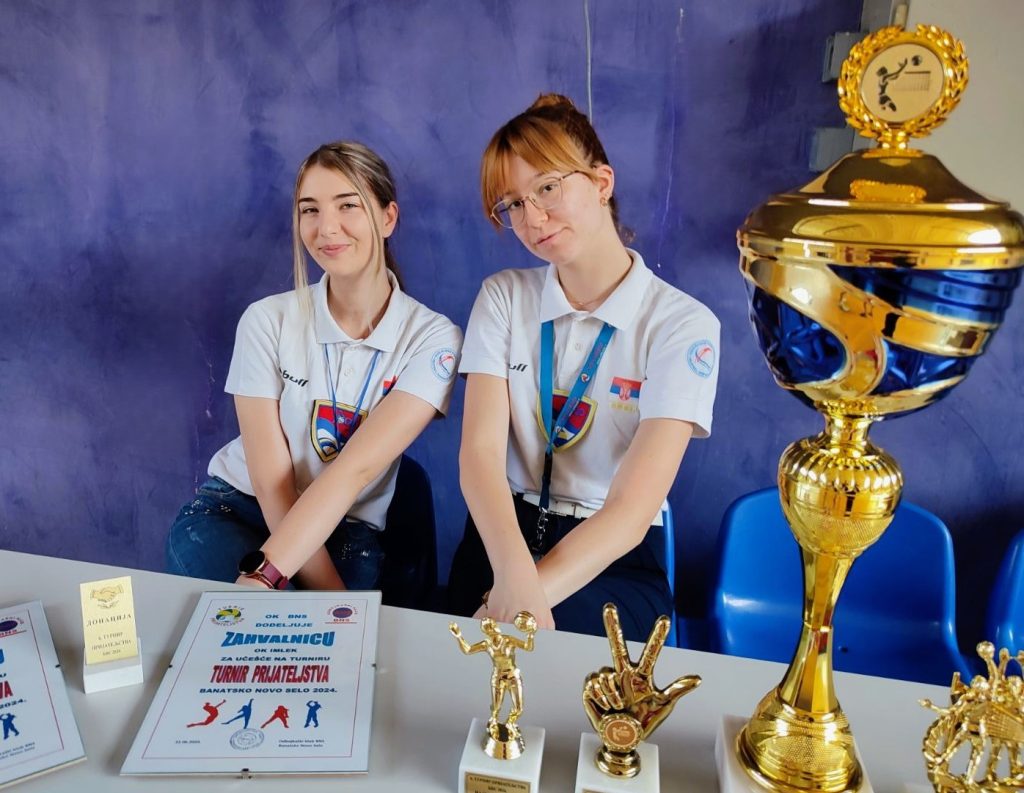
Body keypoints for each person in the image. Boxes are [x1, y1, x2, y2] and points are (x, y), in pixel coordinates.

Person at [448, 94, 719, 642]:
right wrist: (513, 579)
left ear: (601, 182)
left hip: (613, 556)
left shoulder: (683, 324)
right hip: (502, 539)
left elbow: (630, 511)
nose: (533, 218)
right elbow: (479, 454)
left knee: (531, 660)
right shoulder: (503, 297)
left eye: (548, 187)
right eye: (513, 204)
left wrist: (521, 603)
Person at [166, 141, 462, 591]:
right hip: (240, 507)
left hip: (347, 528)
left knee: (309, 629)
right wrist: (267, 579)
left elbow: (354, 472)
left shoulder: (433, 339)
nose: (327, 228)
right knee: (240, 621)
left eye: (348, 205)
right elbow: (272, 483)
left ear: (387, 218)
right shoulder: (266, 319)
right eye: (310, 210)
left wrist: (326, 606)